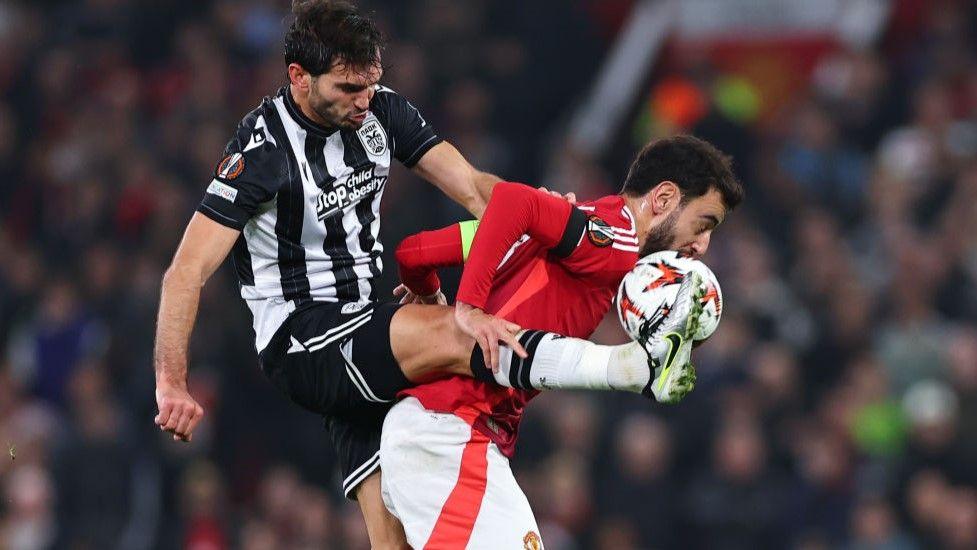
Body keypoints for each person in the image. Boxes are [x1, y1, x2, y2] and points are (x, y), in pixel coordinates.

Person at [152, 1, 705, 546]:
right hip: (303, 339)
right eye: (348, 90)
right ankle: (628, 368)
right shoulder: (262, 151)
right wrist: (173, 383)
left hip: (369, 327)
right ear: (299, 78)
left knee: (392, 540)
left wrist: (554, 217)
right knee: (460, 328)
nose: (364, 102)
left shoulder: (382, 111)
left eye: (371, 84)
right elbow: (185, 271)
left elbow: (471, 188)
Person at [380, 135, 743, 548]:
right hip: (449, 435)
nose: (701, 246)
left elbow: (415, 251)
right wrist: (468, 308)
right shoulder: (615, 241)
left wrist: (426, 292)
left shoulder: (561, 225)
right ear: (662, 198)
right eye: (703, 224)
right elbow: (513, 202)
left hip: (439, 432)